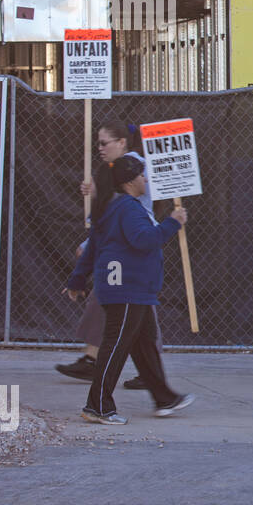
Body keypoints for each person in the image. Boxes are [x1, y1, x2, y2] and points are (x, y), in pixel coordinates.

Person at [65, 155, 194, 424]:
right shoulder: (128, 208)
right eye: (141, 175)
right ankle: (98, 406)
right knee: (115, 346)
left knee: (145, 345)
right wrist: (172, 222)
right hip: (127, 289)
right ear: (129, 181)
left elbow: (92, 250)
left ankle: (164, 398)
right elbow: (144, 239)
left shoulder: (110, 207)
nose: (146, 179)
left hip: (130, 290)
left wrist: (77, 280)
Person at [56, 122, 159, 390]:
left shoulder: (131, 167)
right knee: (130, 307)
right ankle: (146, 372)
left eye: (105, 143)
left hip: (130, 245)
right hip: (123, 244)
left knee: (119, 301)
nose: (100, 148)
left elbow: (122, 209)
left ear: (121, 142)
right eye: (98, 143)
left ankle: (98, 366)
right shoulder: (115, 169)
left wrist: (91, 243)